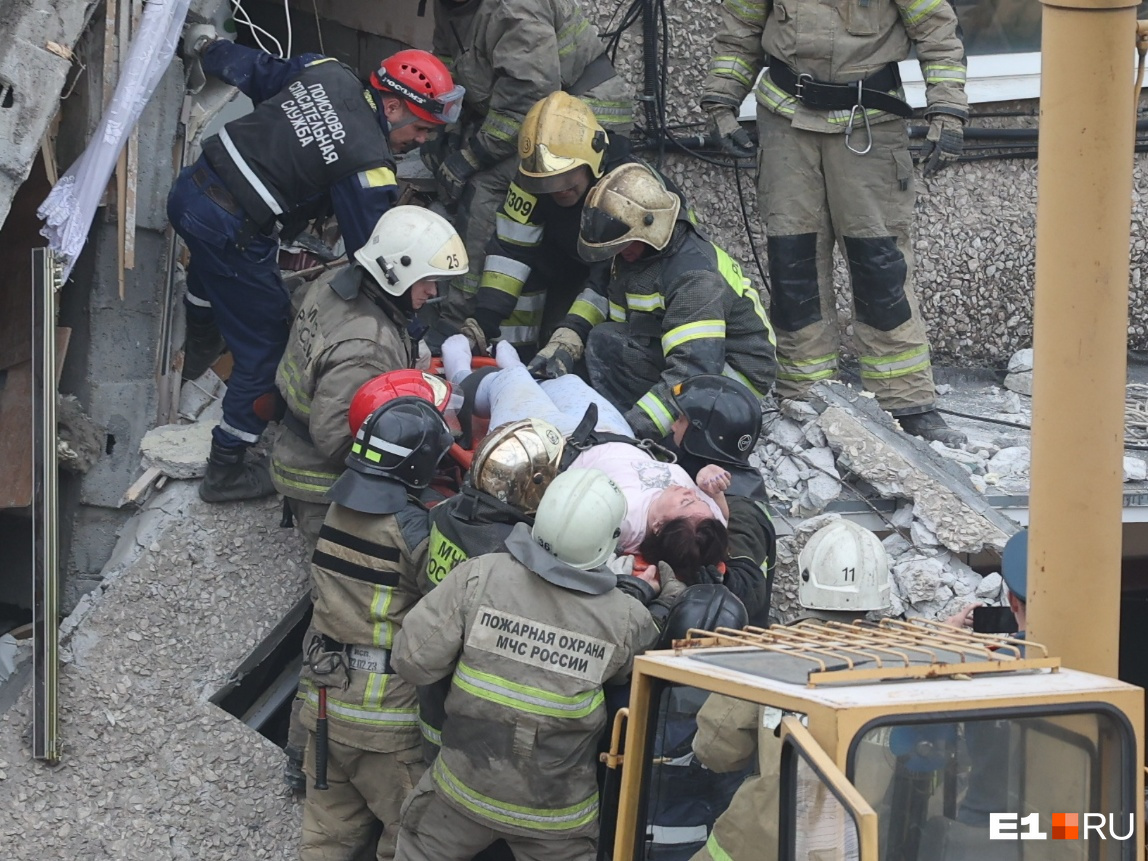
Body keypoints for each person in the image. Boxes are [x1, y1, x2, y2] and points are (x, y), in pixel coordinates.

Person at [170, 32, 462, 502]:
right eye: (422, 129)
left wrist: (209, 48)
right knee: (264, 352)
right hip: (232, 227)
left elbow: (255, 68)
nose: (422, 141)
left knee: (210, 276)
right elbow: (380, 258)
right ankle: (226, 468)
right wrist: (413, 329)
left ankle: (202, 341)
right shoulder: (368, 165)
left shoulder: (325, 70)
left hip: (191, 190)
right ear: (392, 108)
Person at [699, 0, 968, 446]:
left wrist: (947, 109)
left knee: (879, 264)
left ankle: (905, 401)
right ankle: (804, 396)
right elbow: (739, 31)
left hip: (870, 122)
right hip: (787, 119)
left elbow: (937, 30)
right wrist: (721, 102)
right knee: (793, 265)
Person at [391, 468, 660, 861]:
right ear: (609, 544)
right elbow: (630, 678)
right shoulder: (626, 619)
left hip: (463, 792)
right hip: (556, 819)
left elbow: (411, 662)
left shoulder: (480, 576)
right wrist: (644, 594)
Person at [297, 394, 456, 861]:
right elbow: (453, 601)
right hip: (383, 720)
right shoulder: (411, 530)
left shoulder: (335, 511)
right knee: (408, 838)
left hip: (325, 700)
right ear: (417, 467)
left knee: (324, 839)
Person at [425, 0, 635, 339]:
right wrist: (443, 130)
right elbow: (446, 64)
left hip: (582, 114)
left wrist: (472, 155)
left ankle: (458, 318)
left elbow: (527, 95)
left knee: (484, 186)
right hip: (524, 112)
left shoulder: (514, 7)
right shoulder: (451, 6)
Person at [440, 336, 731, 581]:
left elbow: (588, 555)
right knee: (569, 381)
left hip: (555, 449)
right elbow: (722, 516)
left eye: (685, 501)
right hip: (611, 433)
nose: (689, 493)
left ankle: (461, 380)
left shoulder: (624, 523)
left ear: (657, 526)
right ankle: (517, 369)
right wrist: (710, 487)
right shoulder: (704, 526)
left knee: (507, 382)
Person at [688, 518, 894, 861]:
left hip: (760, 845)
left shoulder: (769, 656)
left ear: (806, 577)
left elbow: (715, 751)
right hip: (860, 845)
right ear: (879, 587)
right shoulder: (905, 662)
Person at [270, 207, 468, 542]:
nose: (433, 292)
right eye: (428, 280)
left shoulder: (332, 283)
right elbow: (339, 440)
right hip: (322, 483)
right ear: (397, 272)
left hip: (294, 448)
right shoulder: (367, 347)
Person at [549, 162, 778, 441]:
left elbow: (692, 372)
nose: (617, 253)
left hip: (734, 375)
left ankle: (665, 439)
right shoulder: (637, 255)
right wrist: (565, 344)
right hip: (698, 357)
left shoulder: (694, 278)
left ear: (650, 227)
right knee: (604, 340)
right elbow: (619, 326)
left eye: (621, 245)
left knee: (643, 403)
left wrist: (626, 432)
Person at [449, 91, 638, 353]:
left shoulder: (626, 190)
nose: (555, 190)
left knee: (599, 341)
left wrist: (572, 331)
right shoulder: (533, 176)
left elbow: (610, 277)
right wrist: (485, 320)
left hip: (631, 278)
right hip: (566, 258)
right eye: (545, 182)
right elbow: (510, 250)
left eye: (564, 179)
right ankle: (513, 360)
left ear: (592, 162)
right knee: (522, 281)